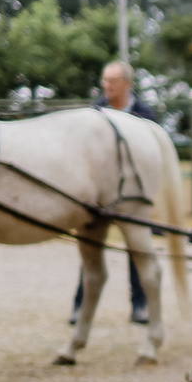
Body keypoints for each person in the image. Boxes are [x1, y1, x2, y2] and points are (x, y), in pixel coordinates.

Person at [72, 61, 163, 326]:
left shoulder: (145, 114)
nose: (106, 85)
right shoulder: (95, 112)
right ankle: (79, 306)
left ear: (126, 83)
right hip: (100, 191)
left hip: (132, 192)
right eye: (104, 80)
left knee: (137, 248)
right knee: (90, 248)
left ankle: (140, 306)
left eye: (112, 80)